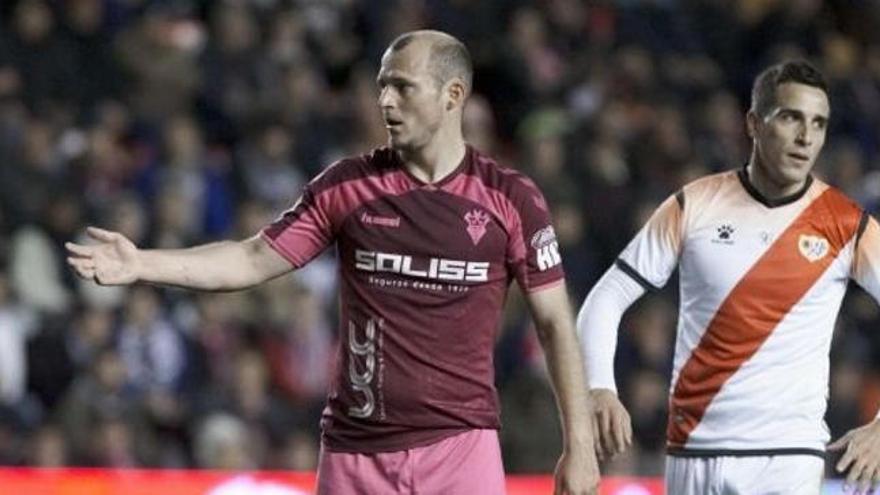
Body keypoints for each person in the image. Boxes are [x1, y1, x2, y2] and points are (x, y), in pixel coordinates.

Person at [66, 30, 599, 495]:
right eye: (382, 85)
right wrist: (142, 264)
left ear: (452, 95)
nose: (385, 102)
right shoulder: (348, 186)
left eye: (403, 87)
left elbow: (554, 322)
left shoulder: (510, 199)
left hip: (460, 451)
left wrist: (579, 445)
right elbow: (252, 259)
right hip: (355, 454)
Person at [576, 59, 880, 494]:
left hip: (787, 459)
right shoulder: (695, 204)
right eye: (791, 117)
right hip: (691, 452)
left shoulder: (846, 224)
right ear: (754, 124)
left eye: (818, 123)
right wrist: (600, 388)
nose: (805, 136)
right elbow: (605, 298)